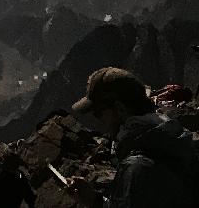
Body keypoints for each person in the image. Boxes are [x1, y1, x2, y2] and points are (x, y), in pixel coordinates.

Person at [66, 66, 197, 208]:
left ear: (120, 109)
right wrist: (97, 200)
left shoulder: (138, 169)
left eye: (99, 113)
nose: (99, 122)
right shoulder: (175, 139)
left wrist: (95, 203)